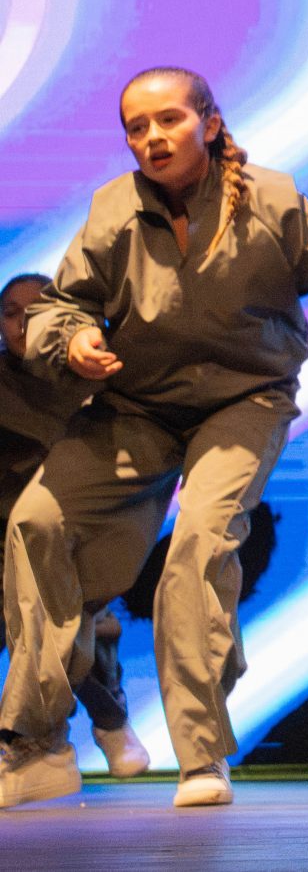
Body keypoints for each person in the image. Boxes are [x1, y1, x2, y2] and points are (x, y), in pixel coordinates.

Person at [0, 70, 308, 812]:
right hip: (139, 404)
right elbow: (61, 303)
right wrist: (73, 339)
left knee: (198, 547)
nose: (154, 137)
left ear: (209, 123)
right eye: (138, 127)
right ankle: (38, 740)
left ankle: (201, 752)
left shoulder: (271, 201)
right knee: (37, 520)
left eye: (169, 120)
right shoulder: (116, 209)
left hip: (244, 401)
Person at [0, 274, 145, 780]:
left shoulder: (98, 381)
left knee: (74, 620)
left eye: (37, 312)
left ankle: (108, 722)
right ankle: (48, 738)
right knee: (30, 619)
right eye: (11, 313)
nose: (23, 324)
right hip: (5, 531)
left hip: (79, 530)